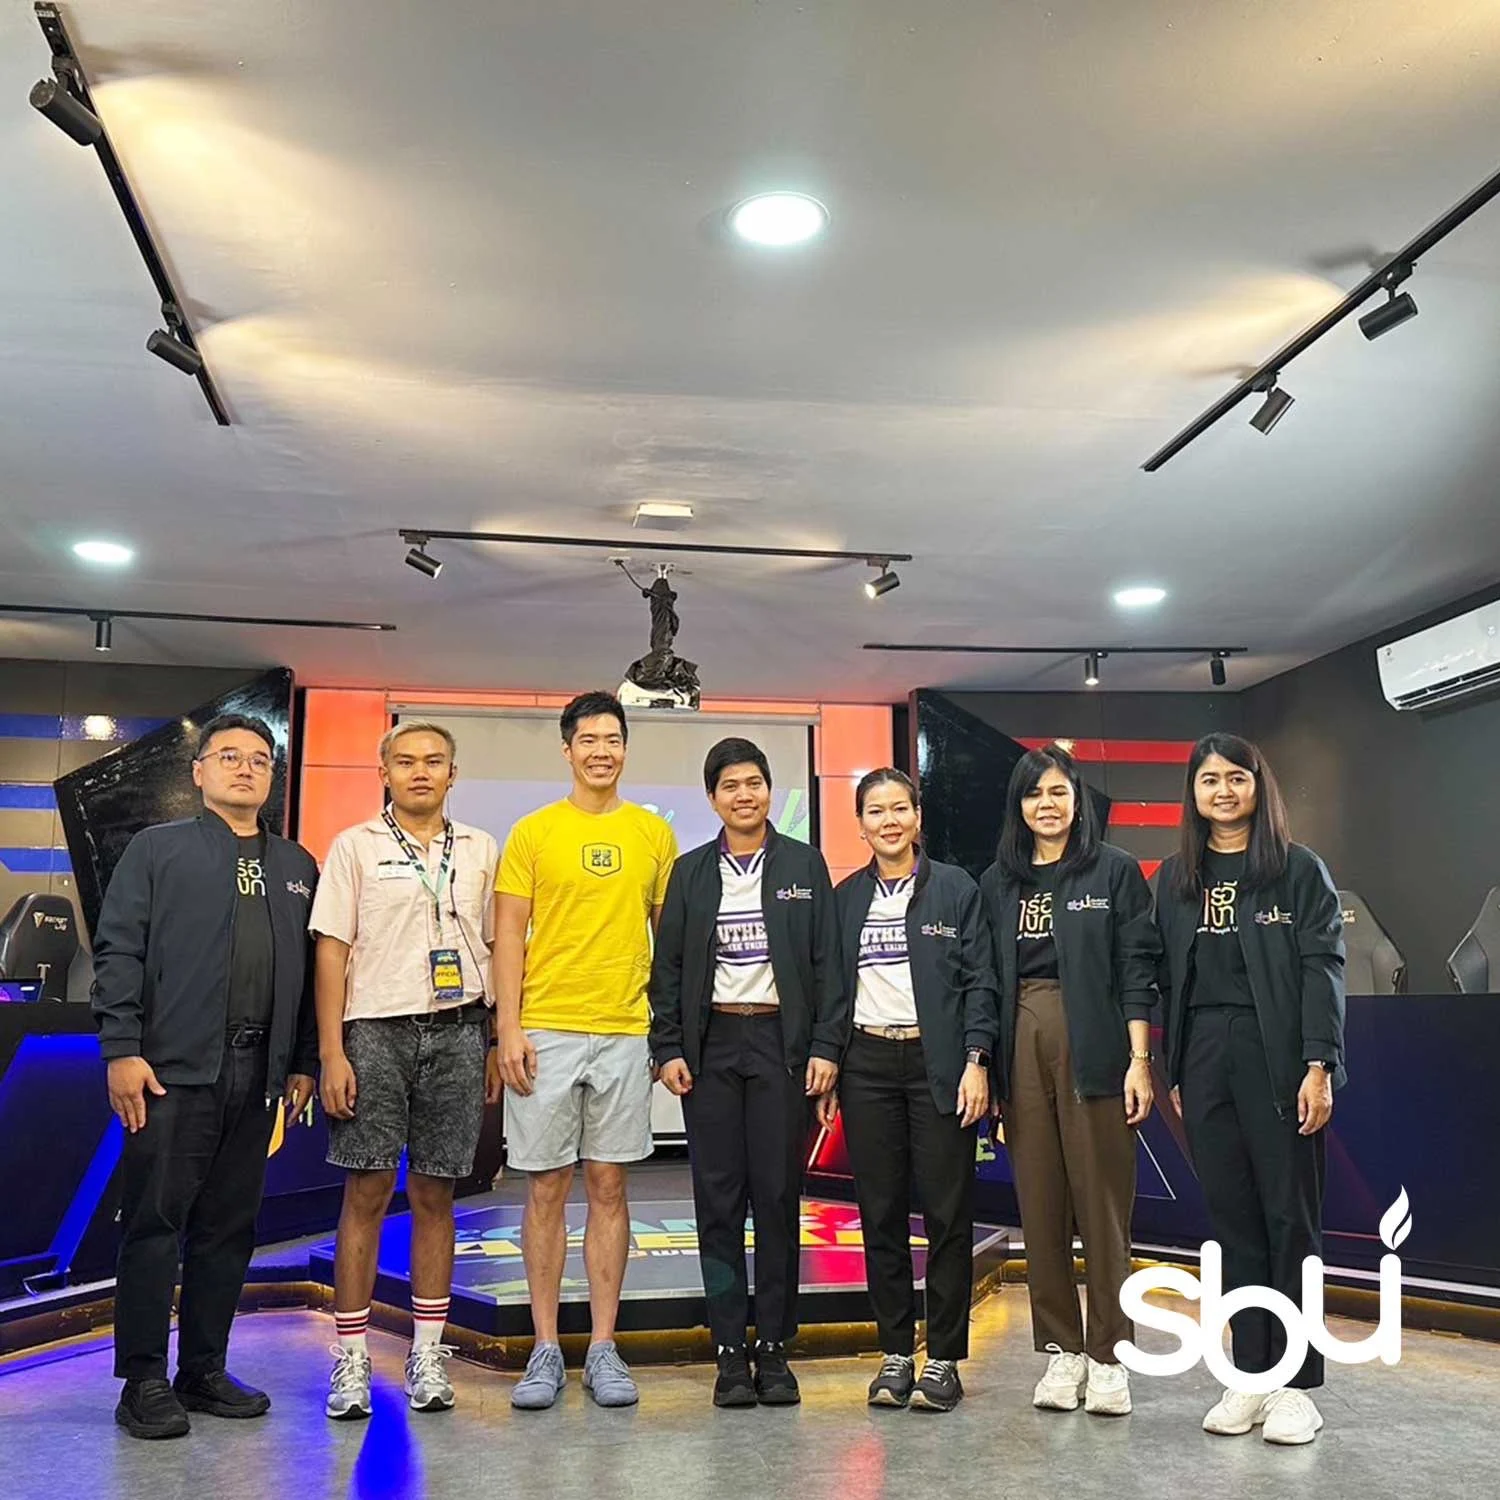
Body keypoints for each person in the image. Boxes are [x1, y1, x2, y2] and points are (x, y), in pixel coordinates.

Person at [91, 713, 319, 1440]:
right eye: (229, 756)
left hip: (259, 1075)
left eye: (259, 759)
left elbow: (309, 976)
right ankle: (142, 1380)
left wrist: (303, 1061)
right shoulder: (157, 851)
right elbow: (118, 950)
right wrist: (121, 1048)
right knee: (155, 1225)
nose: (245, 768)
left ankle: (203, 1370)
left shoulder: (296, 864)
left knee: (229, 1228)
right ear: (198, 772)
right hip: (171, 1072)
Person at [1156, 733, 1345, 1447]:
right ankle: (1252, 1374)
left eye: (1237, 778)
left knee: (1289, 1221)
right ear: (1194, 794)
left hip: (1279, 1057)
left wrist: (1318, 1064)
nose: (1224, 791)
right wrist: (1173, 1067)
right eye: (1210, 780)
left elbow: (1323, 967)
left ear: (1258, 786)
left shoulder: (1297, 870)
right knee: (1233, 1223)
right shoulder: (1177, 877)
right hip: (1204, 1055)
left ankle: (1297, 1387)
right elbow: (1165, 978)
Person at [491, 691, 678, 1410]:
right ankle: (544, 1347)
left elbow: (667, 944)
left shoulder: (653, 834)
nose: (602, 751)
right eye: (589, 740)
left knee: (609, 1186)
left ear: (625, 749)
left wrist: (663, 1032)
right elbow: (509, 935)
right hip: (546, 1030)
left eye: (613, 739)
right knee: (544, 1188)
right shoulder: (534, 832)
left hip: (625, 1031)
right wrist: (509, 1028)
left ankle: (603, 1346)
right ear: (567, 749)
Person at [309, 722, 499, 1420]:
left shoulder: (481, 848)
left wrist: (493, 1039)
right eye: (406, 761)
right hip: (375, 1034)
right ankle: (352, 1359)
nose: (421, 772)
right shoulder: (354, 846)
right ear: (384, 772)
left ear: (453, 773)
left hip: (459, 1031)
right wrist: (332, 1051)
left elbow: (495, 947)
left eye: (434, 761)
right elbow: (331, 951)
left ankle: (427, 1354)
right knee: (365, 1191)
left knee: (435, 1194)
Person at [649, 738, 846, 1408]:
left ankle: (775, 1348)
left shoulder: (803, 865)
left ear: (768, 790)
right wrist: (668, 1047)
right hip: (712, 1045)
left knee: (778, 1197)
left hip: (779, 1044)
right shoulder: (690, 873)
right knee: (718, 1202)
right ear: (712, 798)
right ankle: (730, 1351)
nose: (744, 795)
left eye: (755, 783)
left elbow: (827, 964)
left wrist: (826, 1047)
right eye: (730, 785)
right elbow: (669, 969)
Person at [979, 745, 1159, 1417]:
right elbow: (984, 980)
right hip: (1020, 1044)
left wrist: (1138, 1060)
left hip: (1097, 1047)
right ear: (1018, 806)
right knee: (1041, 1206)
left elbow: (1138, 968)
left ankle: (1110, 1356)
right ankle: (1062, 1351)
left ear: (1078, 800)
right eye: (1034, 794)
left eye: (1058, 791)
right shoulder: (997, 881)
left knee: (1104, 1207)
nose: (1047, 805)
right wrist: (989, 1069)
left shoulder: (1113, 870)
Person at [828, 769, 998, 1413]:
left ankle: (945, 1358)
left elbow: (981, 981)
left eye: (900, 808)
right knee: (880, 1213)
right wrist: (831, 1065)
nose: (889, 821)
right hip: (866, 1065)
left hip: (940, 1065)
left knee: (949, 1215)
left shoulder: (955, 889)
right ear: (861, 824)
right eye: (876, 811)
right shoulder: (846, 899)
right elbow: (830, 992)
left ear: (918, 816)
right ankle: (896, 1351)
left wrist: (977, 1060)